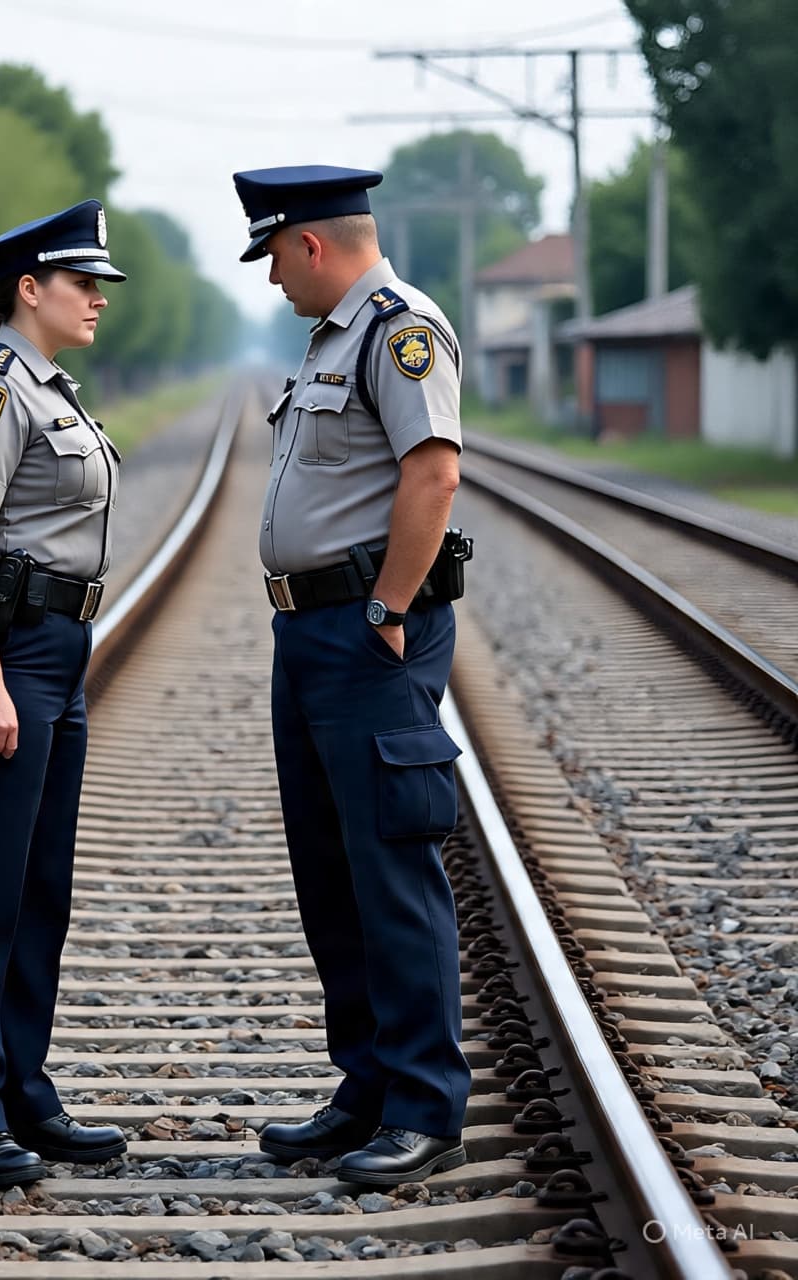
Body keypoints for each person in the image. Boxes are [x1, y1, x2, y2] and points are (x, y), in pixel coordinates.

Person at [231, 165, 471, 1186]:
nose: (273, 280)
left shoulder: (397, 328)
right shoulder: (331, 336)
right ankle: (365, 1085)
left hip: (366, 633)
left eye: (275, 256)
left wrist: (387, 609)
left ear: (311, 245)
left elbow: (433, 471)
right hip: (310, 635)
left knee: (391, 870)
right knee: (331, 871)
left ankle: (420, 1103)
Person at [0, 199, 129, 1189]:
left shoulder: (51, 386)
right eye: (81, 282)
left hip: (55, 649)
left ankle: (21, 1090)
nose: (96, 298)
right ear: (28, 289)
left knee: (38, 885)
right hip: (0, 653)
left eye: (99, 285)